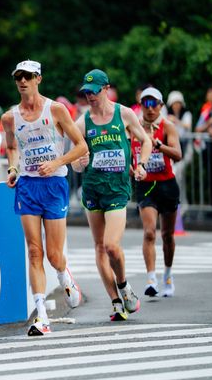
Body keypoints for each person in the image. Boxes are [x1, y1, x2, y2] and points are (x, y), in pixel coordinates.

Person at [2, 60, 88, 335]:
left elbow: (81, 146)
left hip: (54, 184)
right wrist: (14, 168)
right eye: (18, 77)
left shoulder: (56, 109)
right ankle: (41, 316)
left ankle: (65, 276)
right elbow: (12, 147)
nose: (22, 81)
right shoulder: (10, 117)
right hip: (27, 185)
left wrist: (56, 163)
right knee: (34, 251)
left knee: (53, 254)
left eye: (27, 76)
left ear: (39, 78)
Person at [72, 69, 152, 321]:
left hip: (117, 189)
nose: (90, 97)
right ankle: (116, 302)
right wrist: (80, 162)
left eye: (94, 92)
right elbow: (75, 160)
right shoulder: (83, 122)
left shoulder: (124, 114)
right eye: (87, 93)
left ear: (106, 89)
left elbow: (145, 140)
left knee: (111, 246)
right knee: (98, 247)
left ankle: (124, 284)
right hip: (93, 188)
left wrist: (142, 165)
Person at [132, 87, 182, 298]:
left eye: (154, 104)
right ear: (141, 105)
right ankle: (151, 279)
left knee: (167, 235)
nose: (150, 108)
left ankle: (167, 275)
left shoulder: (167, 126)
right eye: (146, 104)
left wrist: (160, 146)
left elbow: (178, 154)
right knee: (150, 232)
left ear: (161, 106)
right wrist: (132, 170)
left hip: (167, 185)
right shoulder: (134, 127)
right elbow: (126, 154)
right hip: (146, 186)